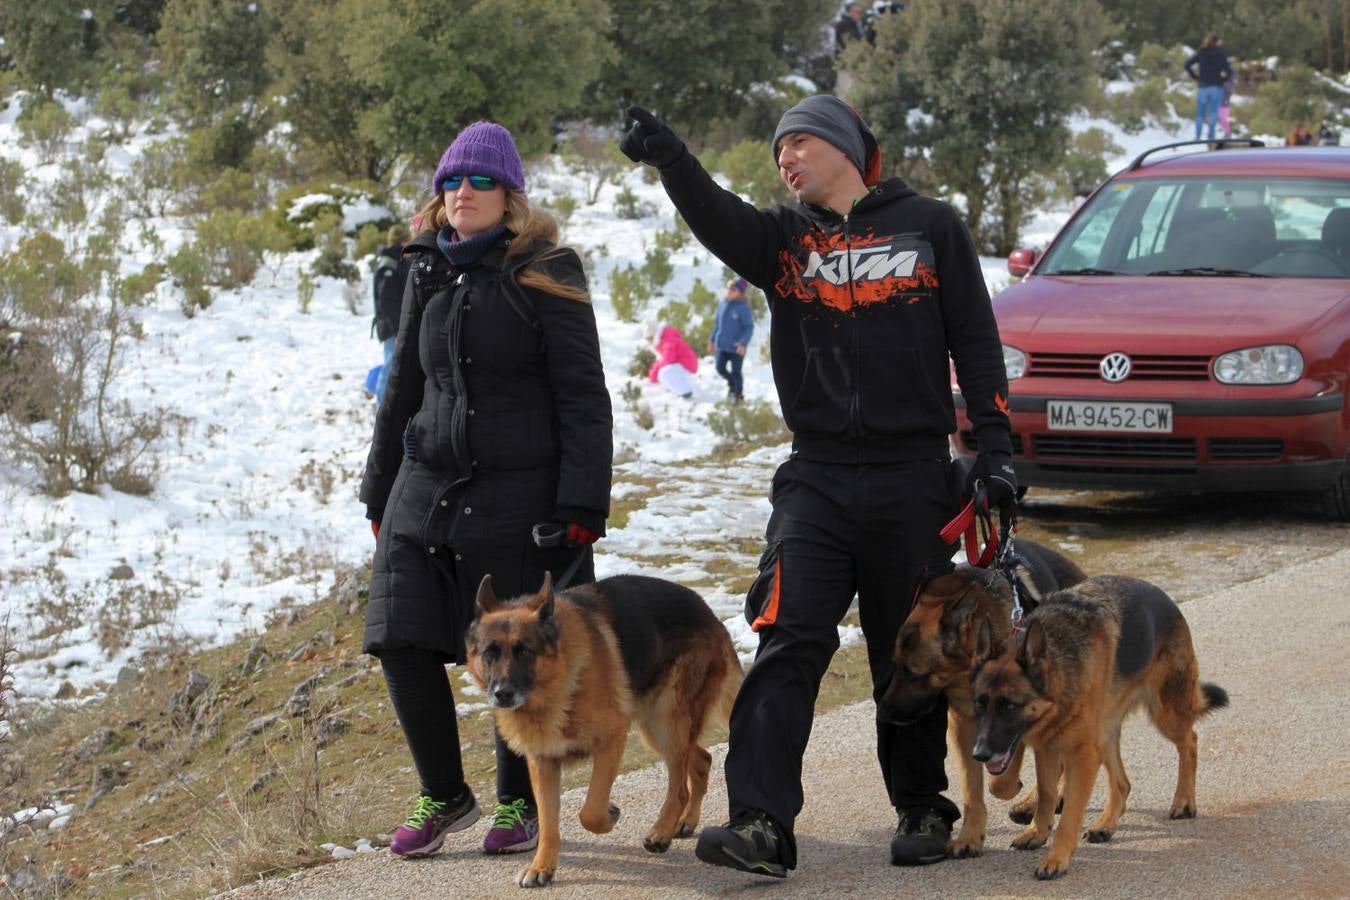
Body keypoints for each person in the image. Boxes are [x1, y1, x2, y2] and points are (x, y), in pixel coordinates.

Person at [619, 95, 1015, 877]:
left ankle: (922, 808)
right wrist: (673, 160)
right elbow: (715, 215)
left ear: (844, 146)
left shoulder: (931, 227)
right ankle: (761, 823)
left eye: (797, 143)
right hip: (818, 478)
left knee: (904, 653)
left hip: (913, 478)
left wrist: (995, 451)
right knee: (787, 640)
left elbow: (975, 337)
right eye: (777, 152)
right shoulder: (782, 241)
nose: (785, 160)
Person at [359, 120, 613, 860]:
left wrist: (581, 507)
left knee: (518, 645)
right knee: (397, 634)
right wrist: (378, 495)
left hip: (522, 494)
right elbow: (403, 385)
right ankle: (445, 792)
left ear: (509, 195)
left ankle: (518, 803)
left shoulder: (549, 268)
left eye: (478, 181)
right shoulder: (426, 268)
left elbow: (583, 395)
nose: (462, 193)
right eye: (450, 182)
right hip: (425, 488)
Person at [372, 222, 412, 407]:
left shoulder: (398, 260)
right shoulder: (389, 264)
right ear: (401, 241)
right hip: (391, 328)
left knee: (395, 366)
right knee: (389, 367)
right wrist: (398, 329)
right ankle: (381, 404)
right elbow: (386, 301)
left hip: (396, 326)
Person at [708, 276, 754, 402]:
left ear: (740, 292)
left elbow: (749, 327)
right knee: (720, 368)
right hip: (722, 346)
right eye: (729, 288)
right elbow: (717, 324)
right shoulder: (723, 304)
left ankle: (738, 396)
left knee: (736, 372)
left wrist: (743, 343)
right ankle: (732, 384)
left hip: (736, 349)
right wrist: (712, 340)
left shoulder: (743, 308)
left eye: (733, 289)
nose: (729, 291)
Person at [1184, 33, 1233, 141]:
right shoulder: (1220, 53)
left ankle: (1197, 136)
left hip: (1203, 86)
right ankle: (1211, 137)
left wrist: (1195, 77)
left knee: (1200, 113)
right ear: (1216, 42)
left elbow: (1187, 64)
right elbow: (1229, 71)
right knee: (1213, 112)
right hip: (1216, 86)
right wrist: (1223, 79)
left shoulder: (1202, 52)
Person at [645, 319, 698, 398]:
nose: (649, 342)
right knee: (663, 374)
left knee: (664, 373)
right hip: (681, 365)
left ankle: (686, 393)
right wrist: (654, 374)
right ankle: (679, 391)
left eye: (650, 338)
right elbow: (662, 360)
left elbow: (669, 358)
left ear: (655, 334)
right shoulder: (664, 338)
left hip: (687, 365)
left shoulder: (668, 339)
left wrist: (655, 372)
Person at [832, 2, 866, 98]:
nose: (859, 15)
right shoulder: (844, 24)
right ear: (850, 12)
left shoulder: (857, 26)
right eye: (857, 12)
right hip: (845, 63)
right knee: (845, 91)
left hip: (854, 64)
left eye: (861, 12)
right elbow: (851, 42)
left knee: (851, 92)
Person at [1218, 65, 1237, 139]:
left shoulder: (1230, 83)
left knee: (1223, 118)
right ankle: (1226, 133)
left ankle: (1227, 133)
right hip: (1221, 101)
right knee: (1221, 117)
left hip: (1224, 101)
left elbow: (1229, 90)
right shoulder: (1226, 81)